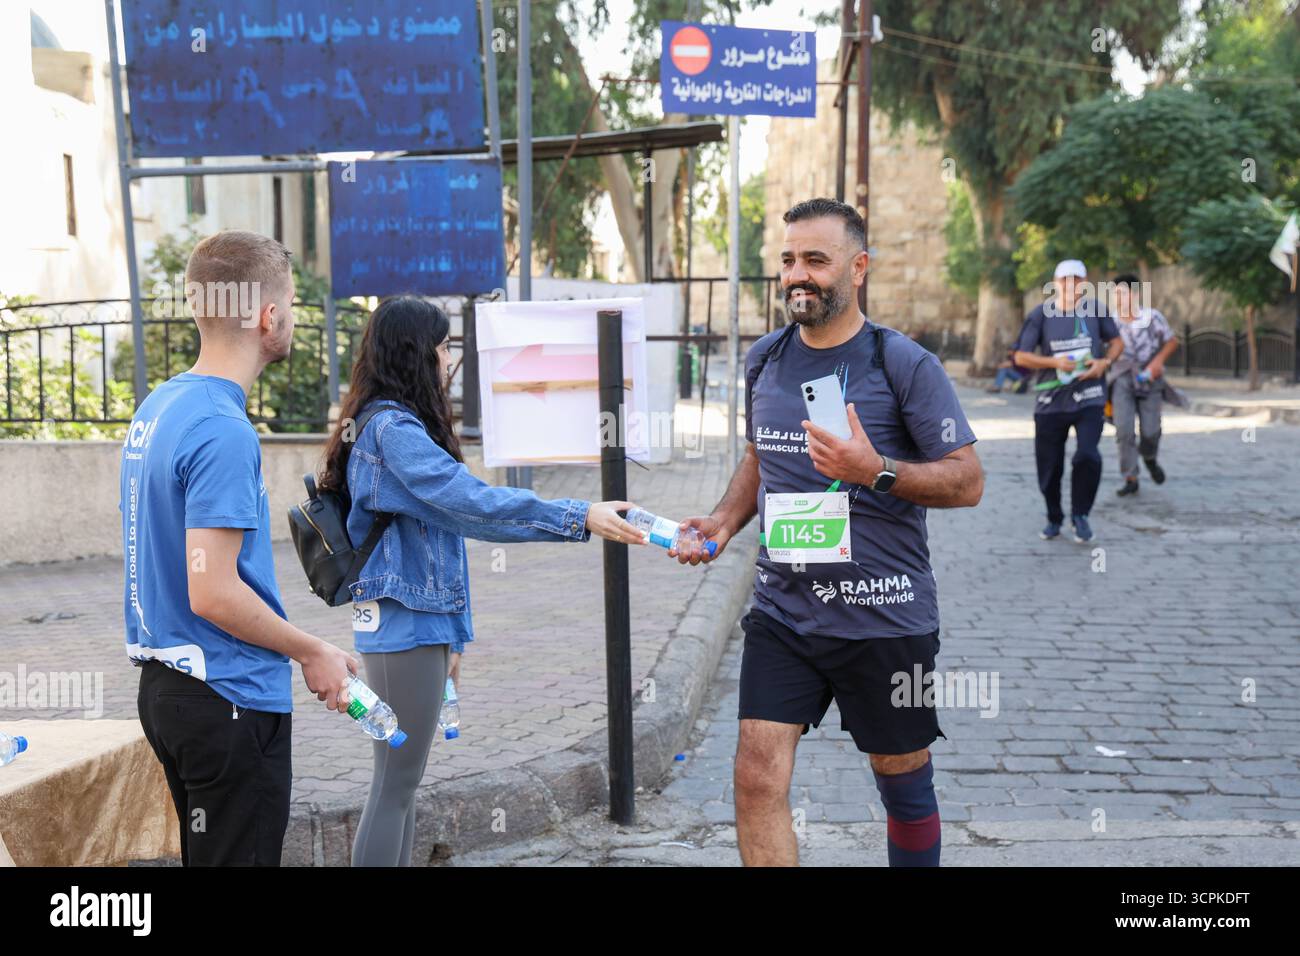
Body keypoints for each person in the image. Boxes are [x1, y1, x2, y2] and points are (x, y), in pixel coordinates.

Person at [670, 198, 983, 867]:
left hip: (886, 613)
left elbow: (967, 480)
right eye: (788, 260)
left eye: (815, 259)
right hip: (785, 612)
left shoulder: (903, 365)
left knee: (900, 775)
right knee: (756, 774)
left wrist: (877, 471)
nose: (797, 275)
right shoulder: (765, 360)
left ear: (858, 266)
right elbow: (761, 456)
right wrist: (725, 520)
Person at [315, 295, 644, 867]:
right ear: (417, 354)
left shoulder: (393, 424)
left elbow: (444, 529)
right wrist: (578, 515)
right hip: (402, 625)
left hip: (417, 623)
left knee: (402, 783)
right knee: (394, 785)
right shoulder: (391, 431)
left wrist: (454, 637)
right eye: (443, 348)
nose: (449, 360)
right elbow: (472, 505)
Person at [120, 231, 357, 866]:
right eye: (294, 304)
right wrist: (313, 651)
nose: (295, 318)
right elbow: (213, 591)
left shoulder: (158, 406)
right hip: (227, 694)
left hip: (169, 693)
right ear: (266, 316)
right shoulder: (222, 430)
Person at [1012, 259, 1123, 543]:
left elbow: (1117, 342)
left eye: (1077, 279)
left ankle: (1081, 515)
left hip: (1090, 397)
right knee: (1050, 466)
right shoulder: (1041, 314)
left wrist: (1104, 363)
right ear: (1056, 283)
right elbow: (1021, 357)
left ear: (1084, 283)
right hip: (1051, 401)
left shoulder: (1096, 310)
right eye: (1065, 280)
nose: (1071, 285)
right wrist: (1054, 361)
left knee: (1087, 455)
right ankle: (1053, 516)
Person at [1108, 274, 1178, 496]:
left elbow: (1172, 341)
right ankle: (1130, 476)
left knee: (1151, 430)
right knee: (1124, 430)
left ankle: (1149, 458)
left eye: (1123, 293)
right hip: (1121, 377)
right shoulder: (1111, 321)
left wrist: (1157, 363)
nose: (1119, 298)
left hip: (1150, 377)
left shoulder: (1152, 317)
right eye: (1115, 294)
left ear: (1135, 294)